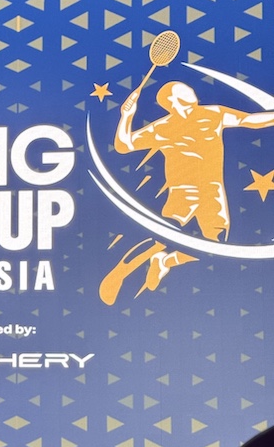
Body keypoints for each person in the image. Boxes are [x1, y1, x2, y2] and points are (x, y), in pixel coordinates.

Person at [99, 80, 274, 303]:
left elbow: (249, 120)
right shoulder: (163, 127)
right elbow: (124, 145)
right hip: (184, 192)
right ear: (171, 100)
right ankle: (119, 274)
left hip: (213, 191)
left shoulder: (214, 114)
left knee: (215, 244)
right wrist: (127, 116)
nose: (191, 90)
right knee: (161, 239)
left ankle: (165, 262)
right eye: (183, 89)